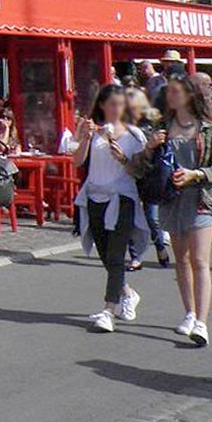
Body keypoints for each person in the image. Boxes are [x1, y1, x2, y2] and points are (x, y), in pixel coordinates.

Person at [130, 73, 212, 346]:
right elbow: (141, 167)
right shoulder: (161, 127)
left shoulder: (209, 129)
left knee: (200, 260)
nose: (170, 95)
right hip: (171, 200)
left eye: (175, 91)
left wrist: (196, 174)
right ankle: (189, 312)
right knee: (181, 260)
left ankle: (202, 322)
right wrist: (150, 147)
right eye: (168, 91)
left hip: (201, 199)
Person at [71, 85, 148, 333]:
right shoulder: (94, 133)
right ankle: (127, 293)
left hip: (122, 198)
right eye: (112, 104)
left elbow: (141, 171)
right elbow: (78, 161)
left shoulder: (134, 136)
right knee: (104, 253)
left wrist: (123, 159)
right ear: (103, 105)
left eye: (121, 104)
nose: (117, 109)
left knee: (116, 255)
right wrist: (84, 138)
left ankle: (108, 310)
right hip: (95, 196)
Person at [125, 87, 170, 270]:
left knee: (152, 218)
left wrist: (154, 145)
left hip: (150, 176)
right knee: (129, 218)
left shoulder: (155, 123)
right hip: (129, 174)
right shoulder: (121, 127)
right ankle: (136, 256)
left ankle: (160, 245)